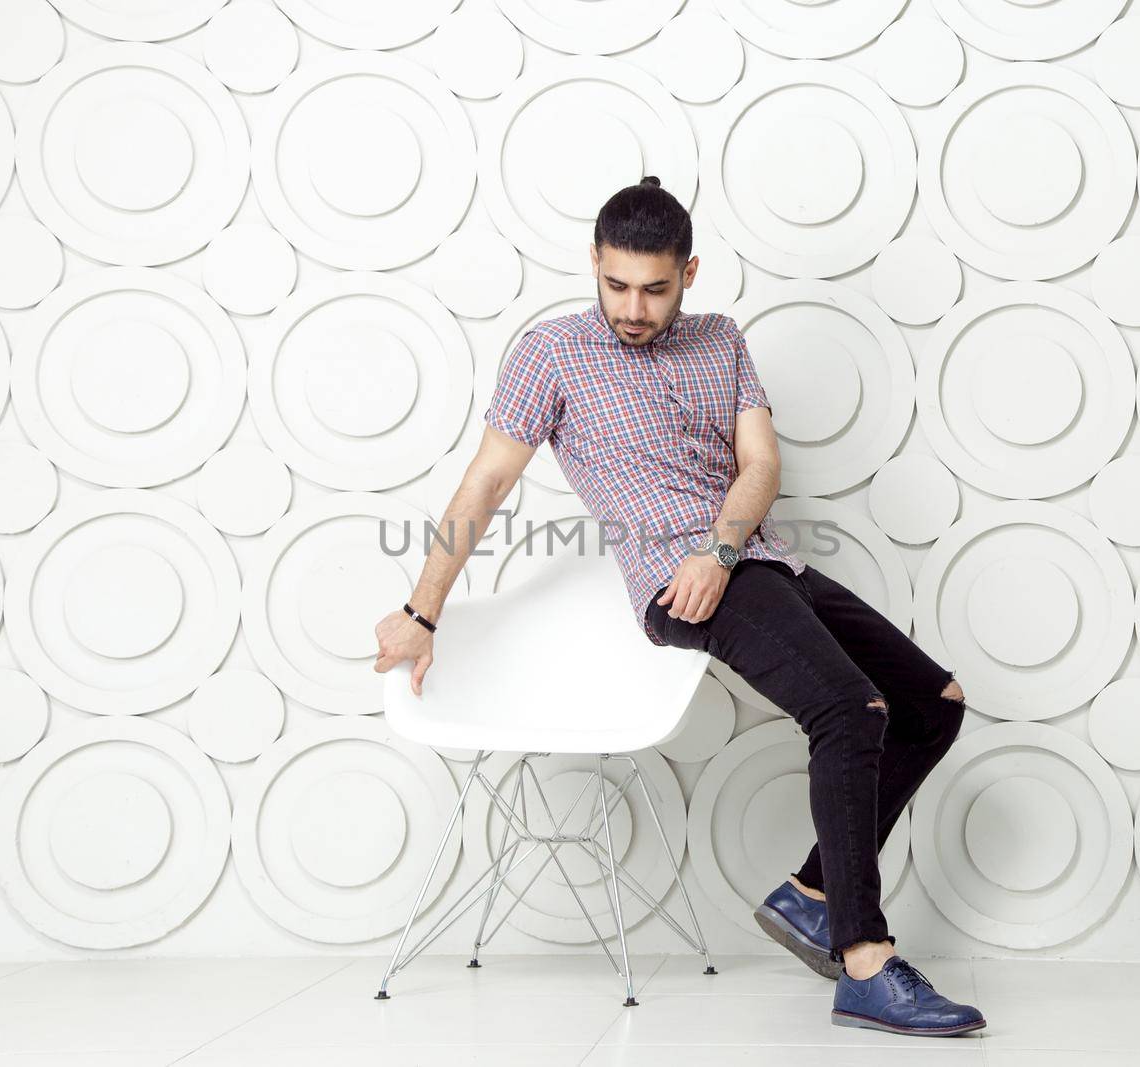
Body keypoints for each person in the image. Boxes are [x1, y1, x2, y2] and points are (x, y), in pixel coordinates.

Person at [373, 177, 986, 1037]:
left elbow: (760, 466)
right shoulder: (549, 353)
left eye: (655, 288)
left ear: (689, 273)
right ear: (594, 262)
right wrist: (423, 612)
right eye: (617, 284)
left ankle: (813, 893)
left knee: (933, 704)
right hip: (673, 582)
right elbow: (486, 481)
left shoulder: (722, 341)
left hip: (754, 560)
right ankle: (864, 961)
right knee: (850, 709)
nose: (633, 305)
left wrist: (723, 548)